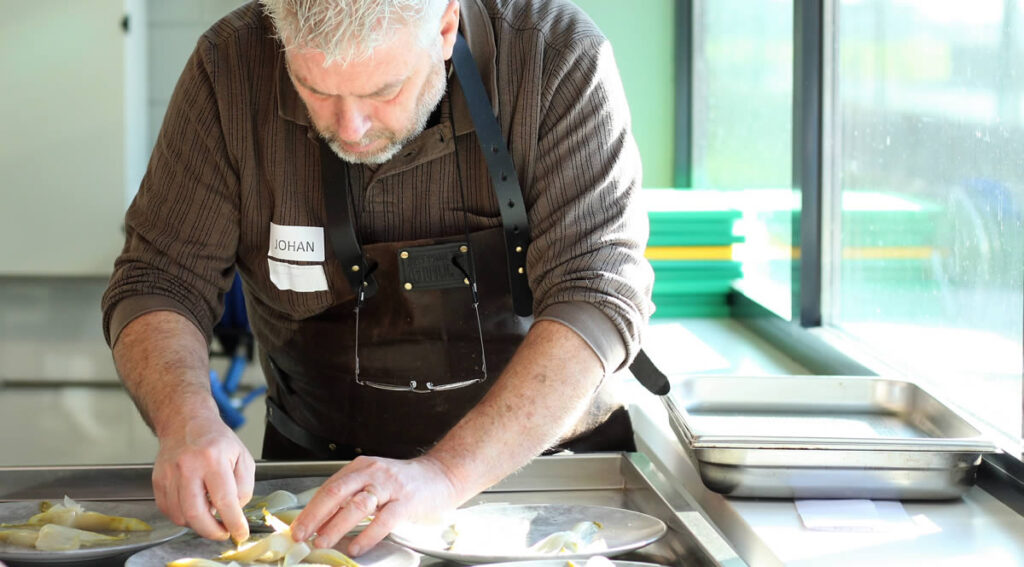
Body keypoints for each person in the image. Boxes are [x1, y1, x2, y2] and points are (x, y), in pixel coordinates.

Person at [101, 0, 654, 556]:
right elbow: (159, 278)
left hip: (549, 487)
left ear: (444, 26)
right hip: (318, 490)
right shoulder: (230, 67)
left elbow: (597, 293)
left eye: (383, 91)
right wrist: (187, 421)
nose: (350, 128)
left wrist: (445, 475)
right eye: (314, 89)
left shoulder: (552, 56)